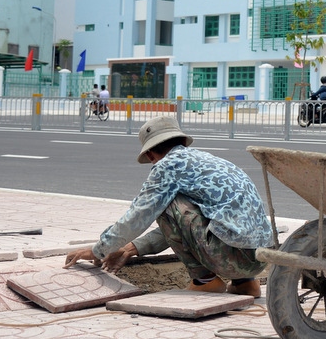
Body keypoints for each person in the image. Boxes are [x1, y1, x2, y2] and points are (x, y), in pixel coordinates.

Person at [64, 116, 273, 297]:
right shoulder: (210, 162)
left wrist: (98, 250)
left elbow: (137, 216)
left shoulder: (167, 165)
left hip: (229, 257)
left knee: (164, 203)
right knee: (204, 211)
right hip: (259, 258)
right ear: (182, 141)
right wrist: (131, 248)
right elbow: (186, 227)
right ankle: (246, 283)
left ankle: (205, 281)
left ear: (151, 155)